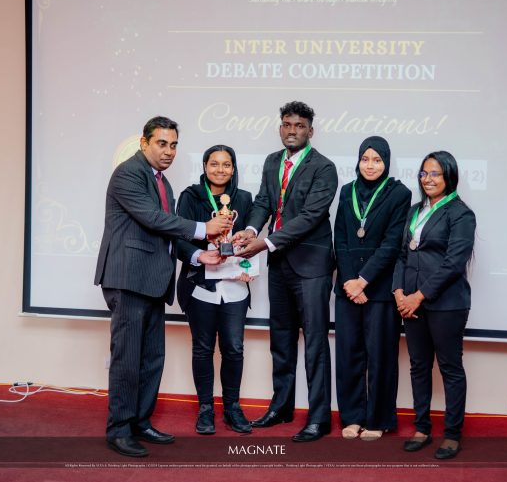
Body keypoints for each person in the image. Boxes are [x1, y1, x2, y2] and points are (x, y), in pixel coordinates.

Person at [94, 116, 232, 458]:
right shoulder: (129, 173)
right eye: (161, 143)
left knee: (152, 358)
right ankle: (119, 430)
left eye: (173, 145)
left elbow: (166, 233)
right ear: (144, 143)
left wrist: (199, 253)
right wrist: (204, 228)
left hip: (153, 281)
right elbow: (153, 219)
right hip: (128, 278)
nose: (169, 151)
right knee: (128, 359)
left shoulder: (162, 182)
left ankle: (141, 422)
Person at [233, 101, 338, 442]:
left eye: (300, 125)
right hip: (279, 264)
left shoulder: (324, 168)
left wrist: (264, 243)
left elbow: (310, 217)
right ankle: (281, 407)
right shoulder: (271, 161)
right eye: (287, 124)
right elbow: (264, 201)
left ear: (311, 130)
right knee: (281, 340)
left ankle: (319, 418)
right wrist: (251, 229)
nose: (292, 130)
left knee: (315, 344)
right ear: (280, 128)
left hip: (311, 266)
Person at [392, 150, 476, 460]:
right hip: (411, 302)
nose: (428, 179)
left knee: (450, 368)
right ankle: (422, 428)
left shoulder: (461, 214)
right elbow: (402, 254)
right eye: (424, 173)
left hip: (446, 304)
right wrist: (399, 292)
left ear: (449, 176)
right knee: (418, 366)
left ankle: (452, 434)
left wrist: (418, 296)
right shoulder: (414, 211)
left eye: (435, 174)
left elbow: (454, 263)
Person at [333, 136, 412, 441]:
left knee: (381, 357)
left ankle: (378, 419)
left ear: (386, 162)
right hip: (348, 289)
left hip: (379, 290)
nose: (370, 165)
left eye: (377, 160)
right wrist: (350, 282)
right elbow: (340, 238)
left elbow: (392, 244)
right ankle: (352, 417)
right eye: (365, 159)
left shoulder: (399, 194)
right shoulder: (347, 191)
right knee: (349, 356)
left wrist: (363, 280)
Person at [175, 145, 254, 435]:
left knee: (234, 348)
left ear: (233, 169)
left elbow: (250, 240)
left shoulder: (244, 198)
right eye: (214, 164)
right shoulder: (190, 196)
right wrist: (200, 255)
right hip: (201, 285)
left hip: (235, 286)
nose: (220, 169)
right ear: (205, 166)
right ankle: (206, 408)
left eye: (226, 164)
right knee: (203, 348)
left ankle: (232, 407)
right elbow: (178, 237)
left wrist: (249, 267)